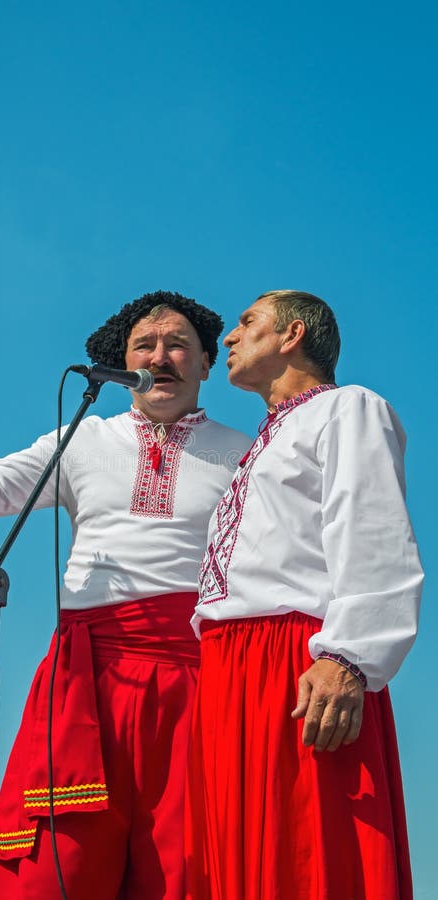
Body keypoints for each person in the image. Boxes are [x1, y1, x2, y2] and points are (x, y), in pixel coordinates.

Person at [0, 290, 251, 900]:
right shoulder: (81, 439)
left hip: (196, 675)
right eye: (145, 345)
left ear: (205, 363)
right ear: (122, 362)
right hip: (87, 674)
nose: (161, 356)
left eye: (178, 346)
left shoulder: (245, 454)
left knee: (186, 864)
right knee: (60, 864)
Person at [186, 290, 424, 900]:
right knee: (235, 862)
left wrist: (348, 658)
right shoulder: (261, 443)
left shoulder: (348, 409)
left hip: (294, 659)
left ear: (292, 335)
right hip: (227, 666)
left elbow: (372, 528)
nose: (230, 338)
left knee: (309, 848)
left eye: (246, 323)